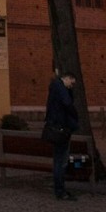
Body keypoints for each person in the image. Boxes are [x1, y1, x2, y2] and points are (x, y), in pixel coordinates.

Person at [44, 71, 80, 200]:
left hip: (55, 127)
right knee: (61, 161)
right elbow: (67, 103)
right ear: (67, 78)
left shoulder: (54, 87)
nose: (72, 86)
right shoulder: (60, 88)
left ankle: (59, 188)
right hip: (61, 129)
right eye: (71, 83)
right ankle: (60, 190)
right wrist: (75, 116)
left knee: (58, 160)